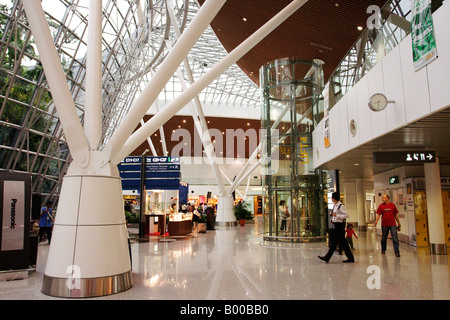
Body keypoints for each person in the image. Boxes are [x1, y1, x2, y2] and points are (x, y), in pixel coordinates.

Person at [318, 192, 354, 263]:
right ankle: (350, 257)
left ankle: (327, 257)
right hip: (336, 225)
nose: (331, 198)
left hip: (339, 226)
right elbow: (335, 215)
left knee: (337, 242)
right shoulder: (335, 205)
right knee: (341, 243)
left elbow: (347, 215)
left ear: (334, 198)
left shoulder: (340, 206)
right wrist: (332, 216)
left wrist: (337, 215)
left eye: (332, 197)